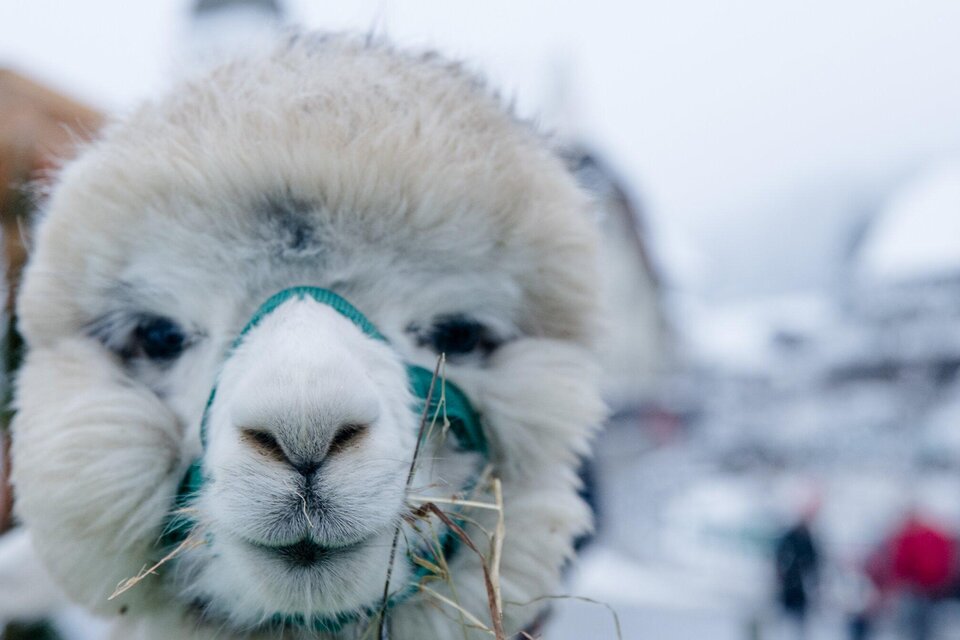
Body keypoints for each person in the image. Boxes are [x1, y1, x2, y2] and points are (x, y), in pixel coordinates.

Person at [774, 512, 820, 639]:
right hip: (788, 586)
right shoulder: (789, 537)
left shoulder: (809, 539)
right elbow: (779, 558)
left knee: (799, 623)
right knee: (784, 621)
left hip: (800, 587)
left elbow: (814, 562)